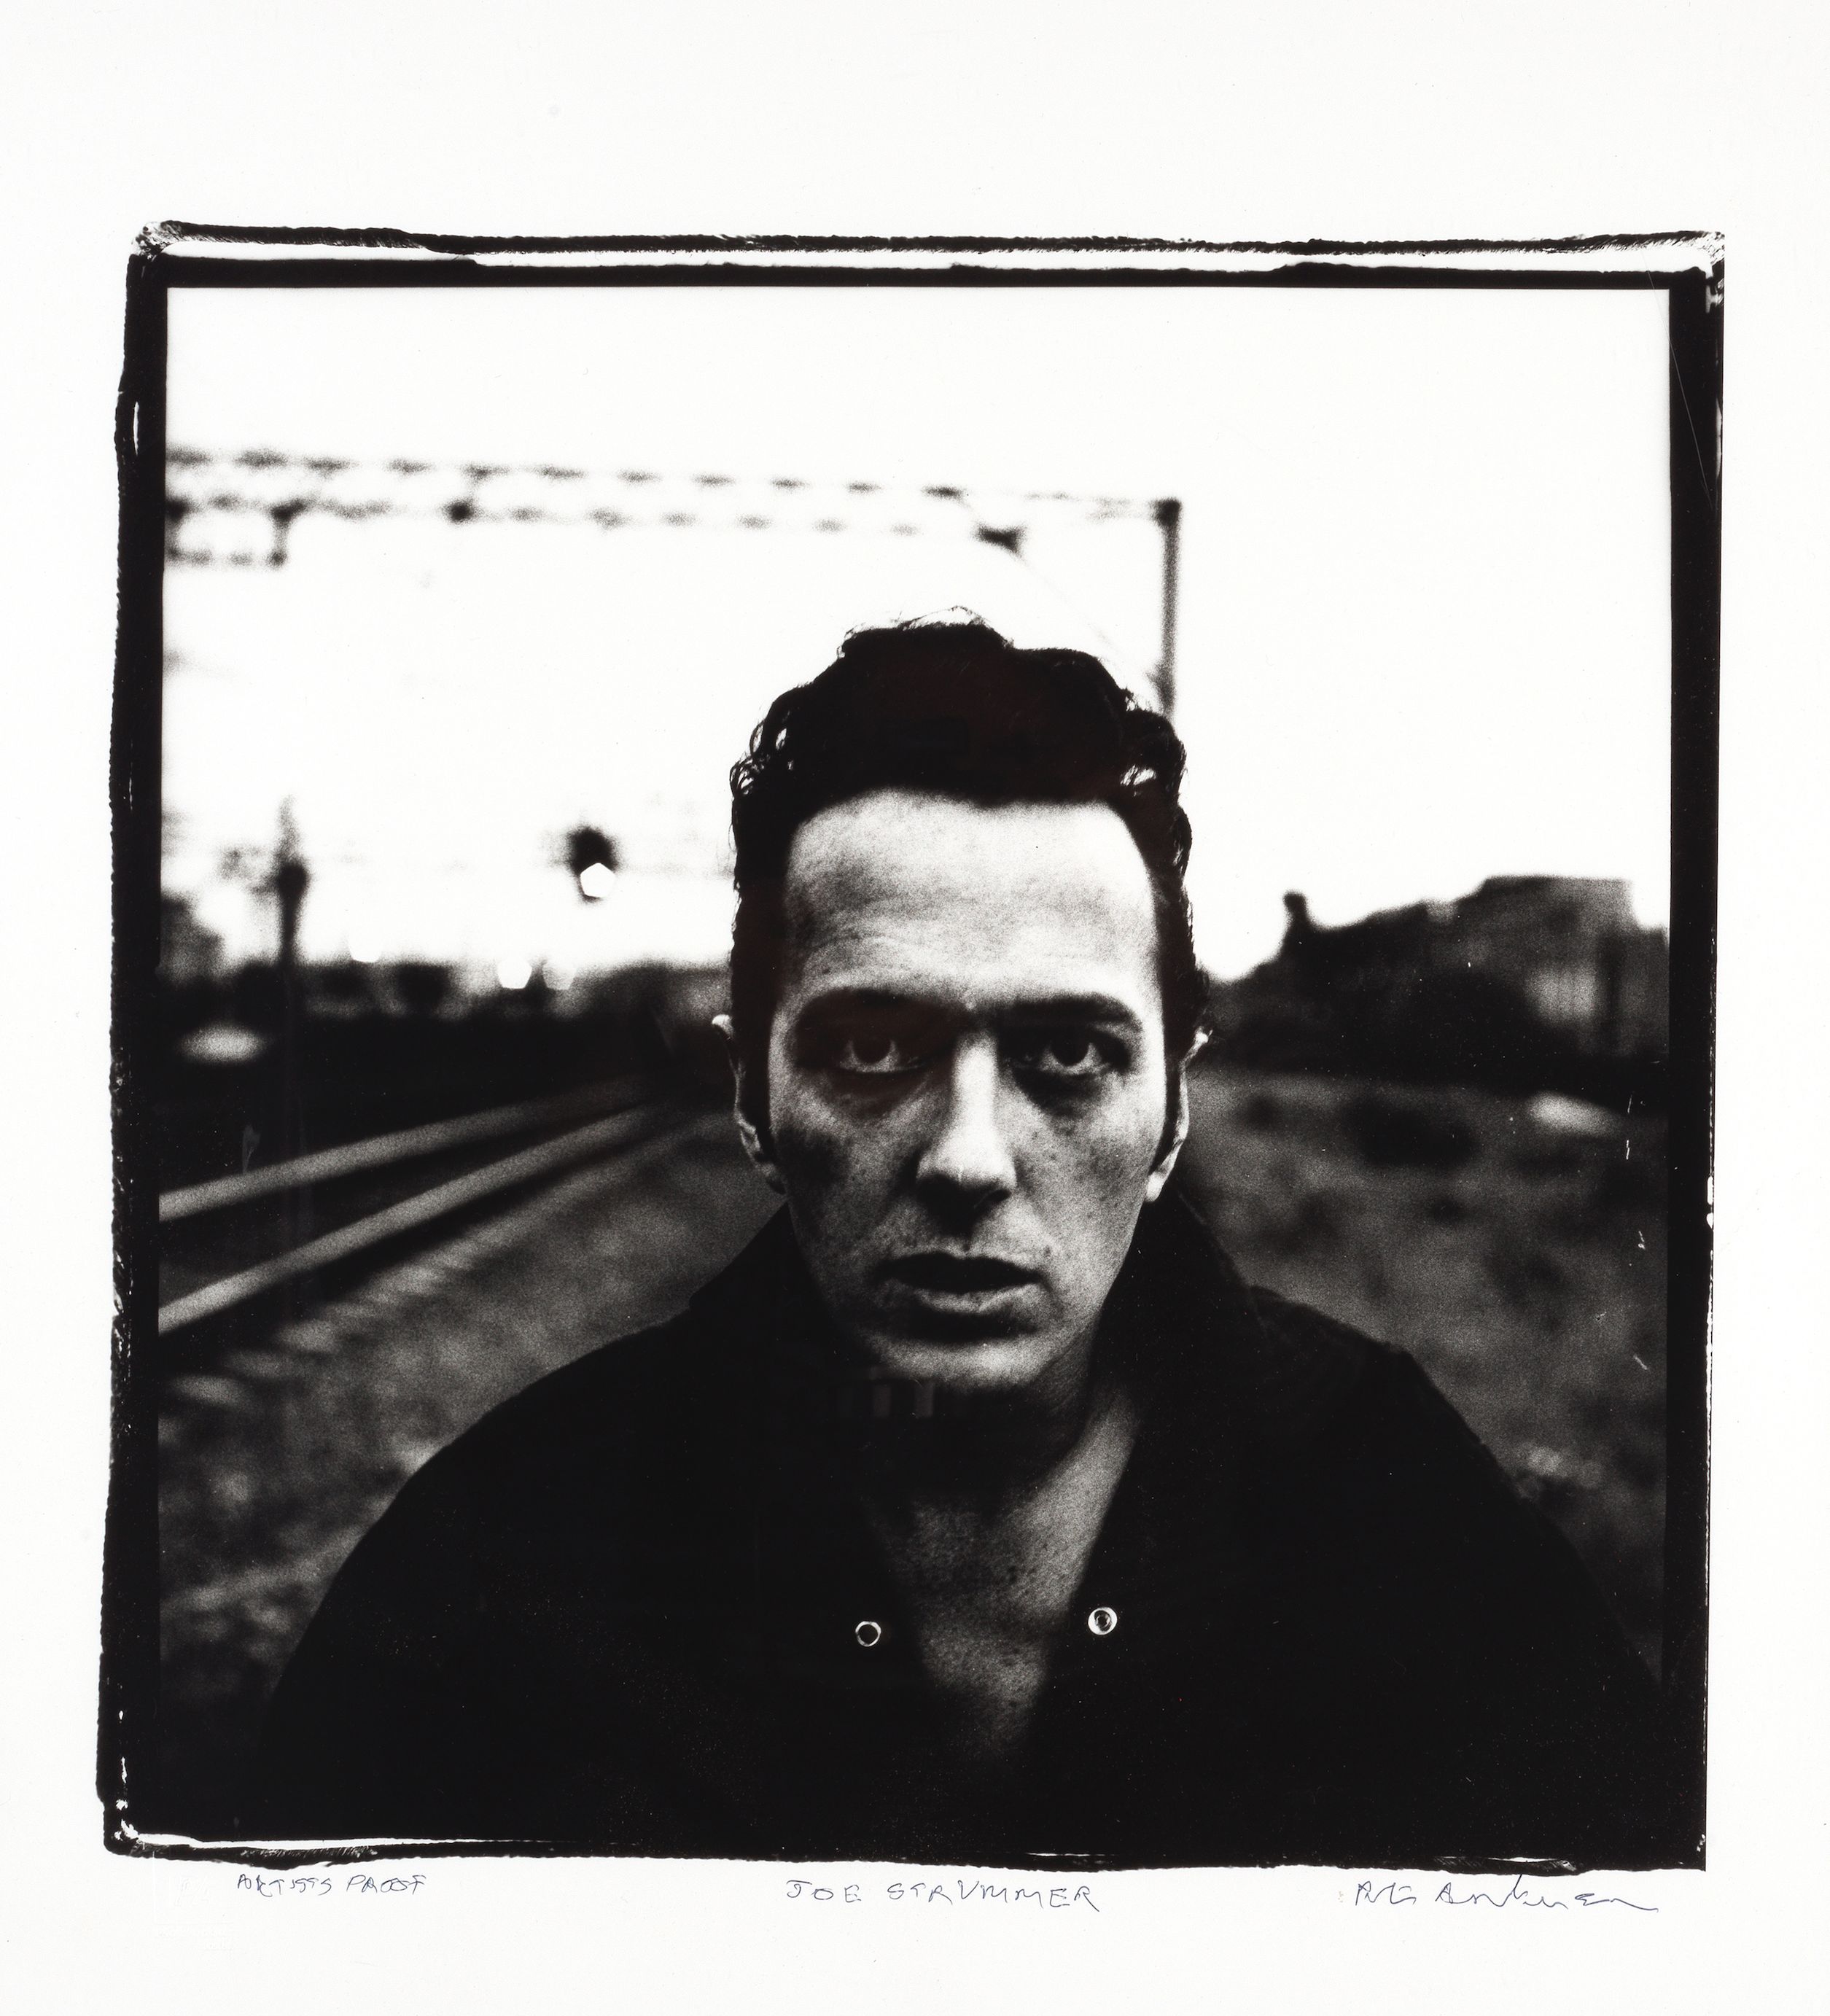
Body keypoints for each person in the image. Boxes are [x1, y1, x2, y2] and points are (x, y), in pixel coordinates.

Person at [250, 618, 1662, 1866]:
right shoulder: (509, 1551)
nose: (969, 1159)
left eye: (1067, 1055)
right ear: (752, 1095)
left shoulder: (1396, 1517)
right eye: (872, 1049)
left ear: (1172, 1110)